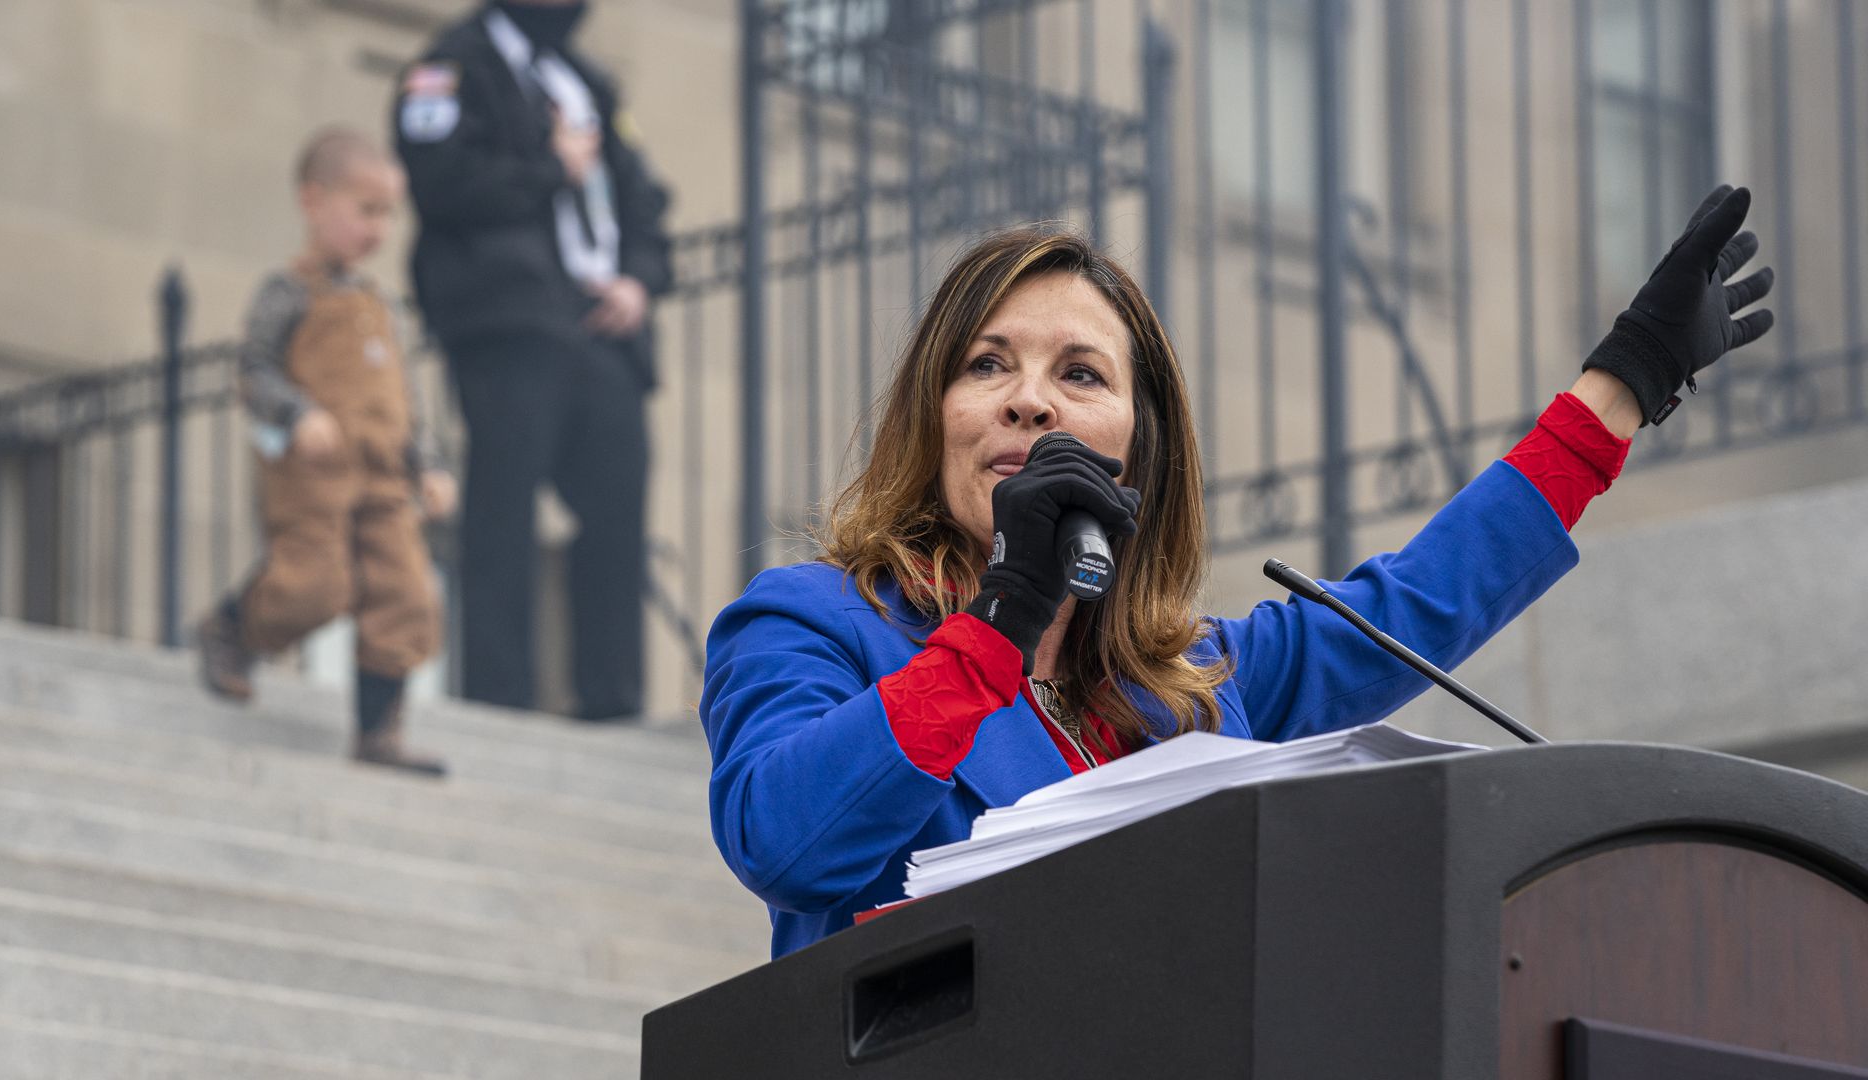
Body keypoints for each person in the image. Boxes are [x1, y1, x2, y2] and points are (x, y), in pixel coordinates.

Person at [702, 187, 1776, 958]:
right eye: (988, 365)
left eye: (1079, 373)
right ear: (934, 420)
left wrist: (1625, 382)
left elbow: (1428, 593)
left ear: (1138, 451)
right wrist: (999, 619)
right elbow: (787, 846)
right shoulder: (810, 623)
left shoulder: (1205, 688)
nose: (1027, 399)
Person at [392, 0, 674, 720]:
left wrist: (639, 279)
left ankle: (610, 702)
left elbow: (643, 198)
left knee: (616, 511)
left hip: (601, 329)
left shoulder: (586, 80)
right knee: (502, 509)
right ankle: (499, 698)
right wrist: (549, 167)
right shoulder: (451, 64)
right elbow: (441, 181)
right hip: (509, 322)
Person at [196, 128, 459, 777]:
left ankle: (379, 730)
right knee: (312, 585)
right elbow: (253, 370)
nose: (379, 228)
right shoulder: (288, 292)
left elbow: (406, 398)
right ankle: (232, 629)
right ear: (314, 201)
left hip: (383, 479)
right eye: (365, 210)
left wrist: (428, 465)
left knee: (406, 594)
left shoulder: (380, 305)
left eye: (388, 213)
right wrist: (298, 412)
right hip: (313, 475)